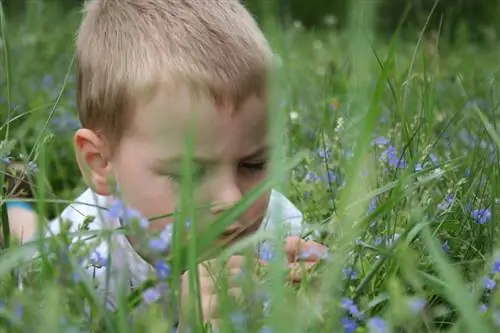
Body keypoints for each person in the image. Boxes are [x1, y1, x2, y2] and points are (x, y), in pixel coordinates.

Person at [4, 0, 328, 329]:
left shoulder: (276, 227)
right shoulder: (79, 267)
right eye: (188, 173)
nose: (232, 200)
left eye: (253, 164)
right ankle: (14, 202)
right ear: (101, 163)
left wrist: (308, 301)